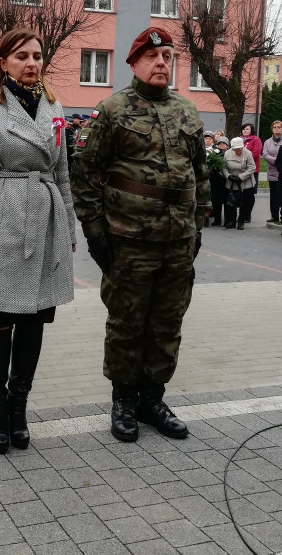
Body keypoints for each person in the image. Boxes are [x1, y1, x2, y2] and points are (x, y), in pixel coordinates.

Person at [71, 26, 209, 443]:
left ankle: (153, 399)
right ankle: (124, 402)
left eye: (167, 56)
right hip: (128, 239)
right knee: (128, 323)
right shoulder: (112, 110)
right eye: (153, 57)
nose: (161, 63)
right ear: (134, 63)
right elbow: (86, 173)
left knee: (167, 323)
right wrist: (95, 233)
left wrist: (199, 224)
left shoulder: (188, 111)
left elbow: (200, 173)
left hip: (178, 239)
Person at [0, 28, 76, 454]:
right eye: (21, 56)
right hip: (1, 214)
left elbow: (62, 173)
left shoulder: (55, 108)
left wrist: (70, 225)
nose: (31, 63)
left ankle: (20, 405)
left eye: (38, 56)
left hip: (45, 217)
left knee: (34, 318)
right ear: (2, 62)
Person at [222, 137, 256, 230]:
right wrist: (228, 176)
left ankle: (241, 221)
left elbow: (252, 168)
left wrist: (241, 177)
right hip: (231, 181)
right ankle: (231, 221)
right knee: (231, 202)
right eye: (236, 150)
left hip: (245, 181)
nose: (238, 151)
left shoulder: (248, 153)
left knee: (244, 203)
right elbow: (224, 167)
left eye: (240, 149)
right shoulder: (227, 153)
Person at [262, 121, 282, 223]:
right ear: (272, 129)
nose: (276, 129)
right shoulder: (267, 142)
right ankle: (274, 215)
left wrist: (281, 162)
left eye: (279, 127)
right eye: (274, 127)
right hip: (272, 172)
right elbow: (265, 154)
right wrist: (276, 161)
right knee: (274, 195)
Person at [208, 135, 229, 227]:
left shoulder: (229, 153)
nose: (221, 145)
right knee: (216, 201)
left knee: (227, 202)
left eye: (223, 143)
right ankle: (217, 220)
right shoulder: (214, 154)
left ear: (227, 145)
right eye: (219, 143)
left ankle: (227, 220)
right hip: (215, 181)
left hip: (226, 181)